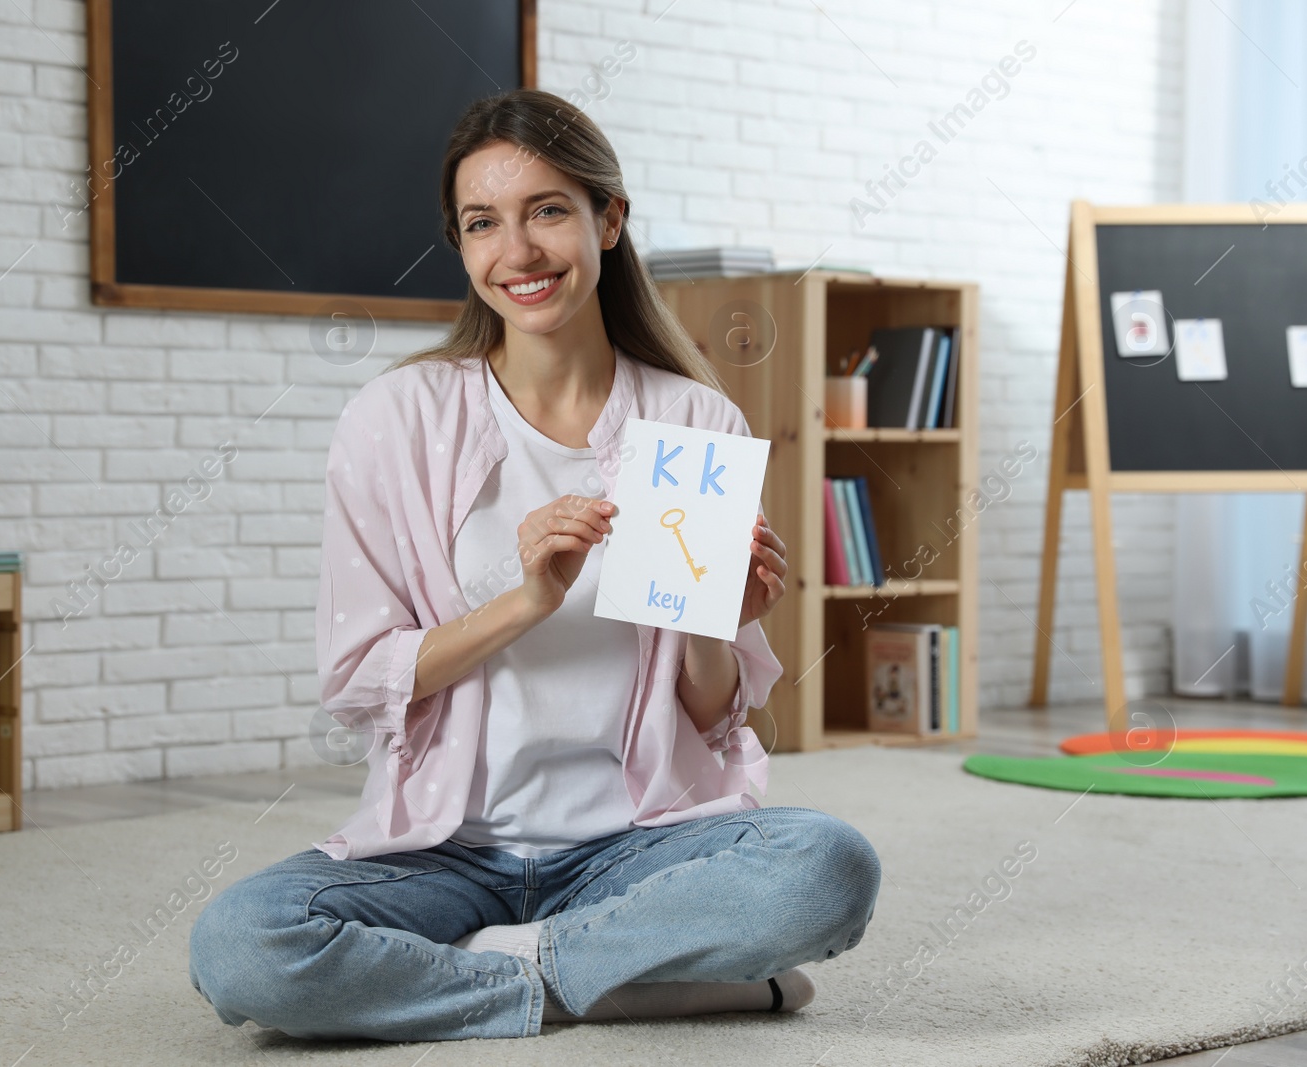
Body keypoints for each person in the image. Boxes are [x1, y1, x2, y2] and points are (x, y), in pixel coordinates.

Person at [188, 87, 881, 1043]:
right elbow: (357, 678)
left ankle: (506, 966)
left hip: (637, 845)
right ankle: (629, 975)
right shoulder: (397, 419)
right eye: (484, 224)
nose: (517, 252)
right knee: (242, 946)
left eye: (547, 211)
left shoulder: (692, 422)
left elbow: (716, 716)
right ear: (463, 245)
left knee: (829, 866)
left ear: (609, 218)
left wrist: (718, 618)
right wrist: (526, 601)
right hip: (446, 854)